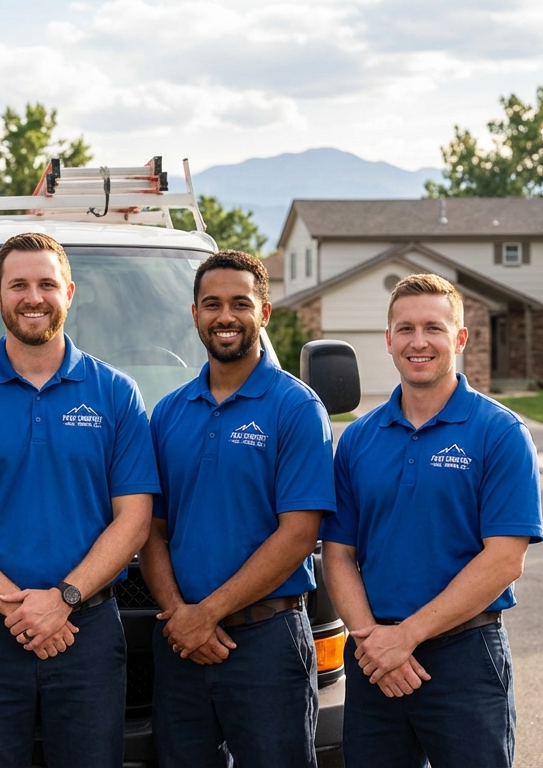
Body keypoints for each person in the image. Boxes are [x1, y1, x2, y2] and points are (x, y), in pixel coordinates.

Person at [0, 232, 159, 768]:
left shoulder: (116, 394)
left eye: (47, 284)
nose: (34, 297)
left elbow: (135, 518)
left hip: (88, 629)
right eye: (19, 284)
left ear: (69, 292)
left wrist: (63, 599)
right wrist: (21, 609)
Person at [321, 273, 543, 768]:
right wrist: (373, 642)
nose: (418, 342)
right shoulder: (358, 440)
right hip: (372, 656)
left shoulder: (500, 433)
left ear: (459, 338)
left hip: (464, 657)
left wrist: (408, 637)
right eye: (405, 329)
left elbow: (505, 559)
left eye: (433, 328)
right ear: (388, 340)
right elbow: (337, 553)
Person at [141, 250, 335, 768]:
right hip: (179, 643)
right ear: (195, 314)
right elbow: (150, 531)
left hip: (266, 644)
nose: (225, 316)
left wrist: (206, 614)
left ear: (264, 313)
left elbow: (298, 534)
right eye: (212, 304)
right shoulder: (167, 413)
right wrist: (183, 617)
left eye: (239, 304)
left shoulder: (296, 408)